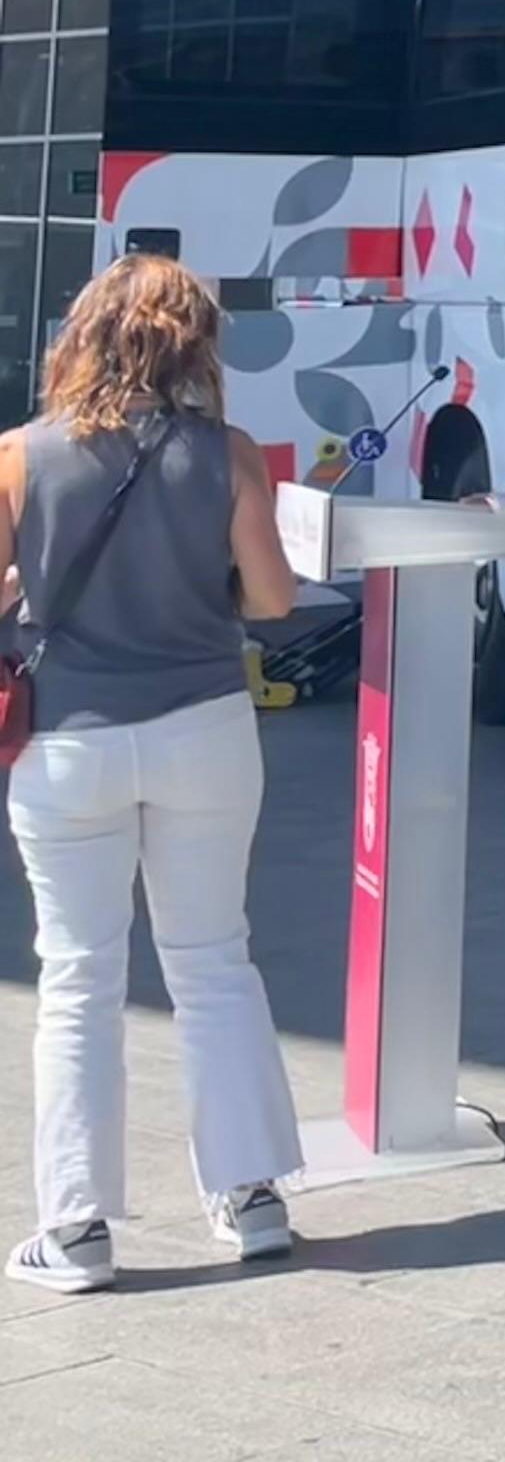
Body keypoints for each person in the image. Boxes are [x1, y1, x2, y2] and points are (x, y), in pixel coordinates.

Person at [0, 256, 305, 1290]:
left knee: (80, 978)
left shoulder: (18, 456)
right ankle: (251, 1195)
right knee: (215, 960)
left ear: (83, 335)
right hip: (205, 730)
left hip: (70, 740)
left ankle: (78, 1230)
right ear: (196, 348)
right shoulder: (232, 456)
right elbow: (270, 602)